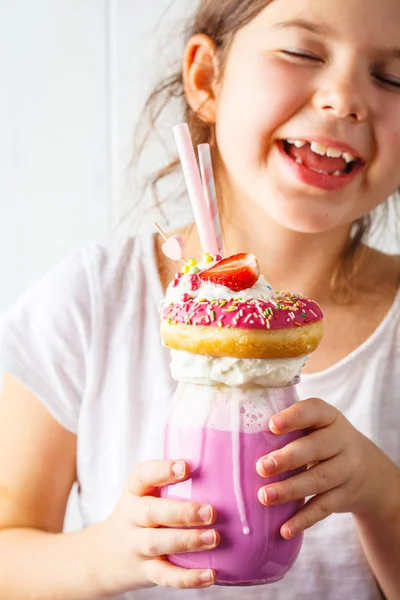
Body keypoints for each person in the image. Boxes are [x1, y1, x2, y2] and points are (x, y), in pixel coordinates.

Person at [0, 0, 399, 598]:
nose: (343, 98)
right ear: (207, 79)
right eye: (302, 52)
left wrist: (383, 496)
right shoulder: (92, 305)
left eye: (393, 76)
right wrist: (111, 552)